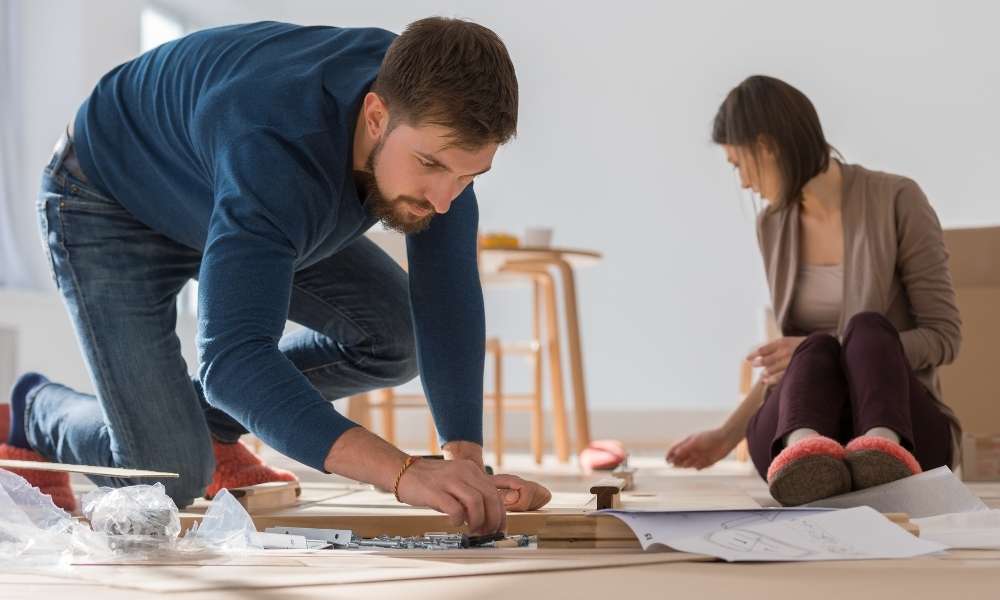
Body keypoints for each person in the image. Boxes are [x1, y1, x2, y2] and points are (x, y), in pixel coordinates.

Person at [0, 18, 550, 533]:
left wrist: (467, 465)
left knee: (394, 334)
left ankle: (210, 428)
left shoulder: (431, 116)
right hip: (105, 197)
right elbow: (234, 359)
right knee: (168, 475)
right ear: (377, 116)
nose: (443, 198)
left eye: (469, 175)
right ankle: (34, 410)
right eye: (430, 166)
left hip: (218, 191)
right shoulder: (276, 149)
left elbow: (446, 300)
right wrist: (404, 473)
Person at [666, 75, 961, 506]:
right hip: (807, 423)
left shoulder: (898, 199)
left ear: (766, 146)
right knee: (816, 350)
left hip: (898, 421)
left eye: (738, 164)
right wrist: (727, 435)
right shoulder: (772, 224)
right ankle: (805, 454)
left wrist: (835, 344)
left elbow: (944, 337)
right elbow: (797, 361)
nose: (744, 183)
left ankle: (884, 450)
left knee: (863, 329)